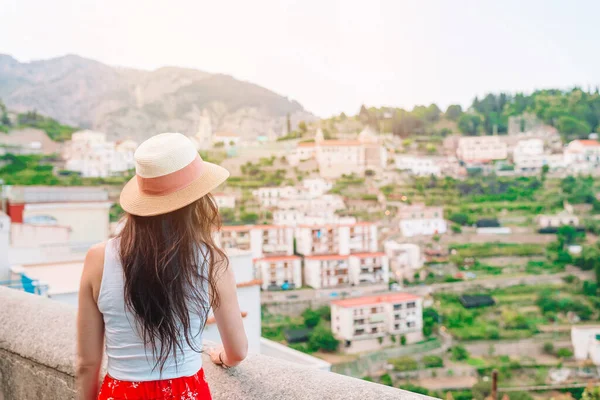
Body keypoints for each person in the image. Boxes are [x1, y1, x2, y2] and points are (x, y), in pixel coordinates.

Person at [76, 133, 248, 400]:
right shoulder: (212, 261)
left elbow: (87, 363)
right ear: (198, 200)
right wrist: (222, 358)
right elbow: (237, 351)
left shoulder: (98, 258)